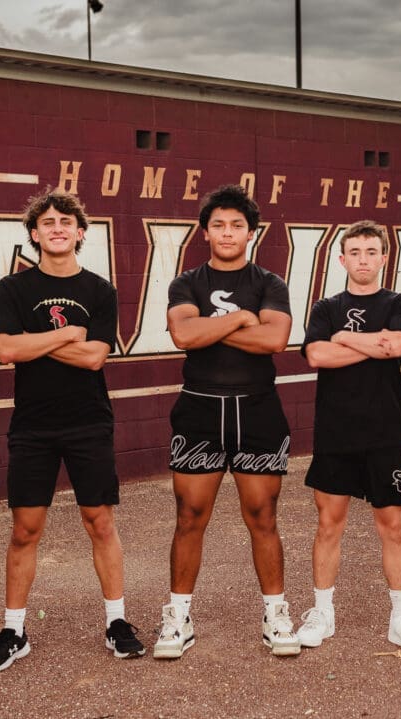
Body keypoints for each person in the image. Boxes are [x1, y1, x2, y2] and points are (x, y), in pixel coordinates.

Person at [0, 188, 144, 674]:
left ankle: (116, 622)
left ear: (79, 233)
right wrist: (68, 334)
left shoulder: (99, 290)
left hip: (89, 421)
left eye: (65, 222)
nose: (56, 228)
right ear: (34, 233)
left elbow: (95, 357)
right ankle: (14, 630)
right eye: (47, 222)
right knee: (25, 529)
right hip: (32, 425)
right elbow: (5, 350)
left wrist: (35, 342)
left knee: (100, 522)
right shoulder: (13, 289)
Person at [155, 184, 299, 658]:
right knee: (189, 517)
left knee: (263, 516)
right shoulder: (186, 282)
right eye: (218, 224)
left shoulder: (270, 283)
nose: (227, 232)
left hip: (257, 409)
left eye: (237, 224)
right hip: (200, 409)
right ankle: (177, 618)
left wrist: (212, 330)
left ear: (251, 232)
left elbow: (275, 341)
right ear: (205, 232)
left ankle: (276, 615)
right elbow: (183, 334)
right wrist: (242, 320)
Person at [296, 220, 401, 655]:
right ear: (342, 259)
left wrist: (344, 338)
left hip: (385, 434)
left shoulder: (400, 302)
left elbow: (395, 346)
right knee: (328, 525)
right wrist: (365, 343)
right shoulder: (325, 307)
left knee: (392, 527)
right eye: (354, 252)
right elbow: (317, 355)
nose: (362, 259)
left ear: (382, 257)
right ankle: (322, 613)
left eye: (370, 251)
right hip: (336, 434)